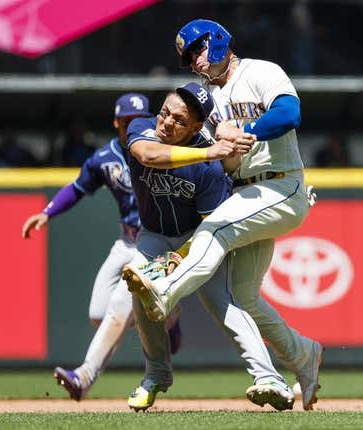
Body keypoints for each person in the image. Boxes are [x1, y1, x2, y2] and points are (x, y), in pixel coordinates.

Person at [123, 19, 323, 411]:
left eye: (197, 50)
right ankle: (304, 354)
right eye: (188, 57)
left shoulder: (261, 71)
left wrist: (250, 128)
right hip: (246, 193)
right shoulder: (208, 100)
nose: (195, 62)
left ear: (217, 41)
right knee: (244, 297)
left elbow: (289, 113)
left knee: (213, 230)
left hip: (280, 185)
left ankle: (163, 290)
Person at [22, 93, 182, 401]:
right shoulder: (105, 158)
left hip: (156, 244)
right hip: (127, 240)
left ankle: (83, 376)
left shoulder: (162, 149)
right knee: (99, 313)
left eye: (140, 119)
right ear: (116, 123)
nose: (133, 125)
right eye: (127, 121)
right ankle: (168, 316)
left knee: (120, 308)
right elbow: (78, 187)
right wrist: (47, 212)